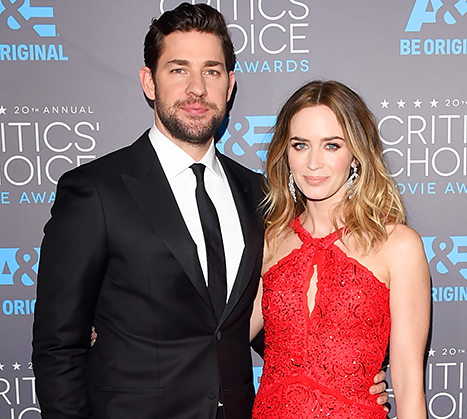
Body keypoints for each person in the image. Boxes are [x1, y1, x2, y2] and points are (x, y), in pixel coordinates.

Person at [32, 4, 388, 419]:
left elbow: (256, 319)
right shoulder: (95, 191)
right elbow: (58, 345)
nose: (197, 88)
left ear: (230, 84)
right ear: (150, 81)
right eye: (179, 69)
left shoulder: (260, 193)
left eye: (212, 71)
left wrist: (339, 376)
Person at [250, 80, 431, 419]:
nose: (313, 163)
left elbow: (408, 385)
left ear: (356, 155)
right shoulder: (268, 243)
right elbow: (221, 339)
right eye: (300, 145)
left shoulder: (398, 246)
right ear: (285, 153)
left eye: (331, 146)